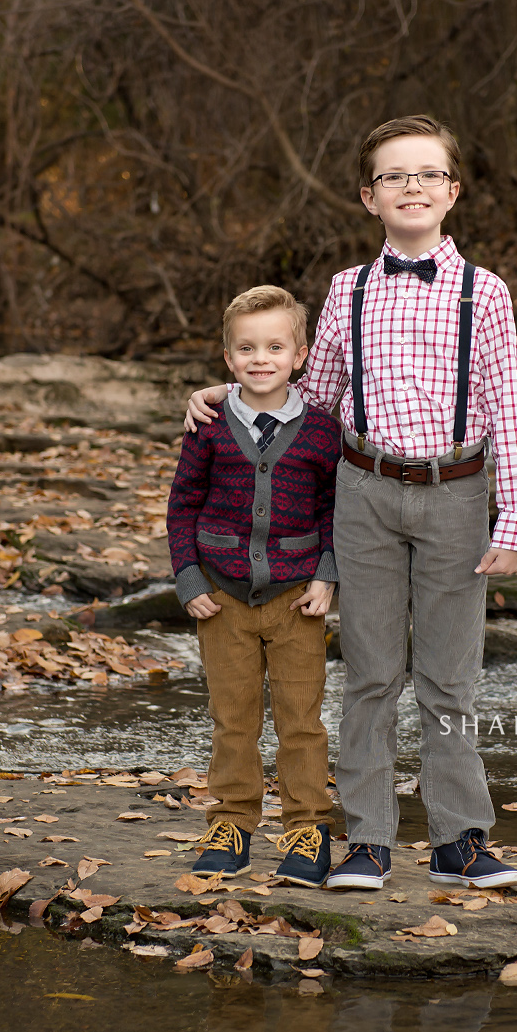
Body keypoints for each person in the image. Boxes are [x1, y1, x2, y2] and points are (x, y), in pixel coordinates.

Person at [185, 115, 517, 890]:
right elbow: (314, 394)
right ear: (368, 197)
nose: (411, 187)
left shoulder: (487, 292)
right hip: (365, 494)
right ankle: (368, 840)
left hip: (455, 493)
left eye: (426, 175)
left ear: (453, 191)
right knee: (372, 672)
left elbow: (507, 404)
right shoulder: (349, 290)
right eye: (393, 177)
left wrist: (516, 517)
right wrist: (237, 393)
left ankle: (460, 840)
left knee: (450, 677)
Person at [167, 285, 343, 887]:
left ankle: (306, 830)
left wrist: (325, 576)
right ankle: (232, 824)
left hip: (298, 600)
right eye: (247, 348)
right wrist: (189, 577)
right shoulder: (209, 427)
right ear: (227, 357)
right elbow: (182, 505)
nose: (260, 358)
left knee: (301, 720)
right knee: (233, 717)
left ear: (300, 356)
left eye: (275, 346)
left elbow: (331, 512)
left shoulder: (322, 430)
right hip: (222, 601)